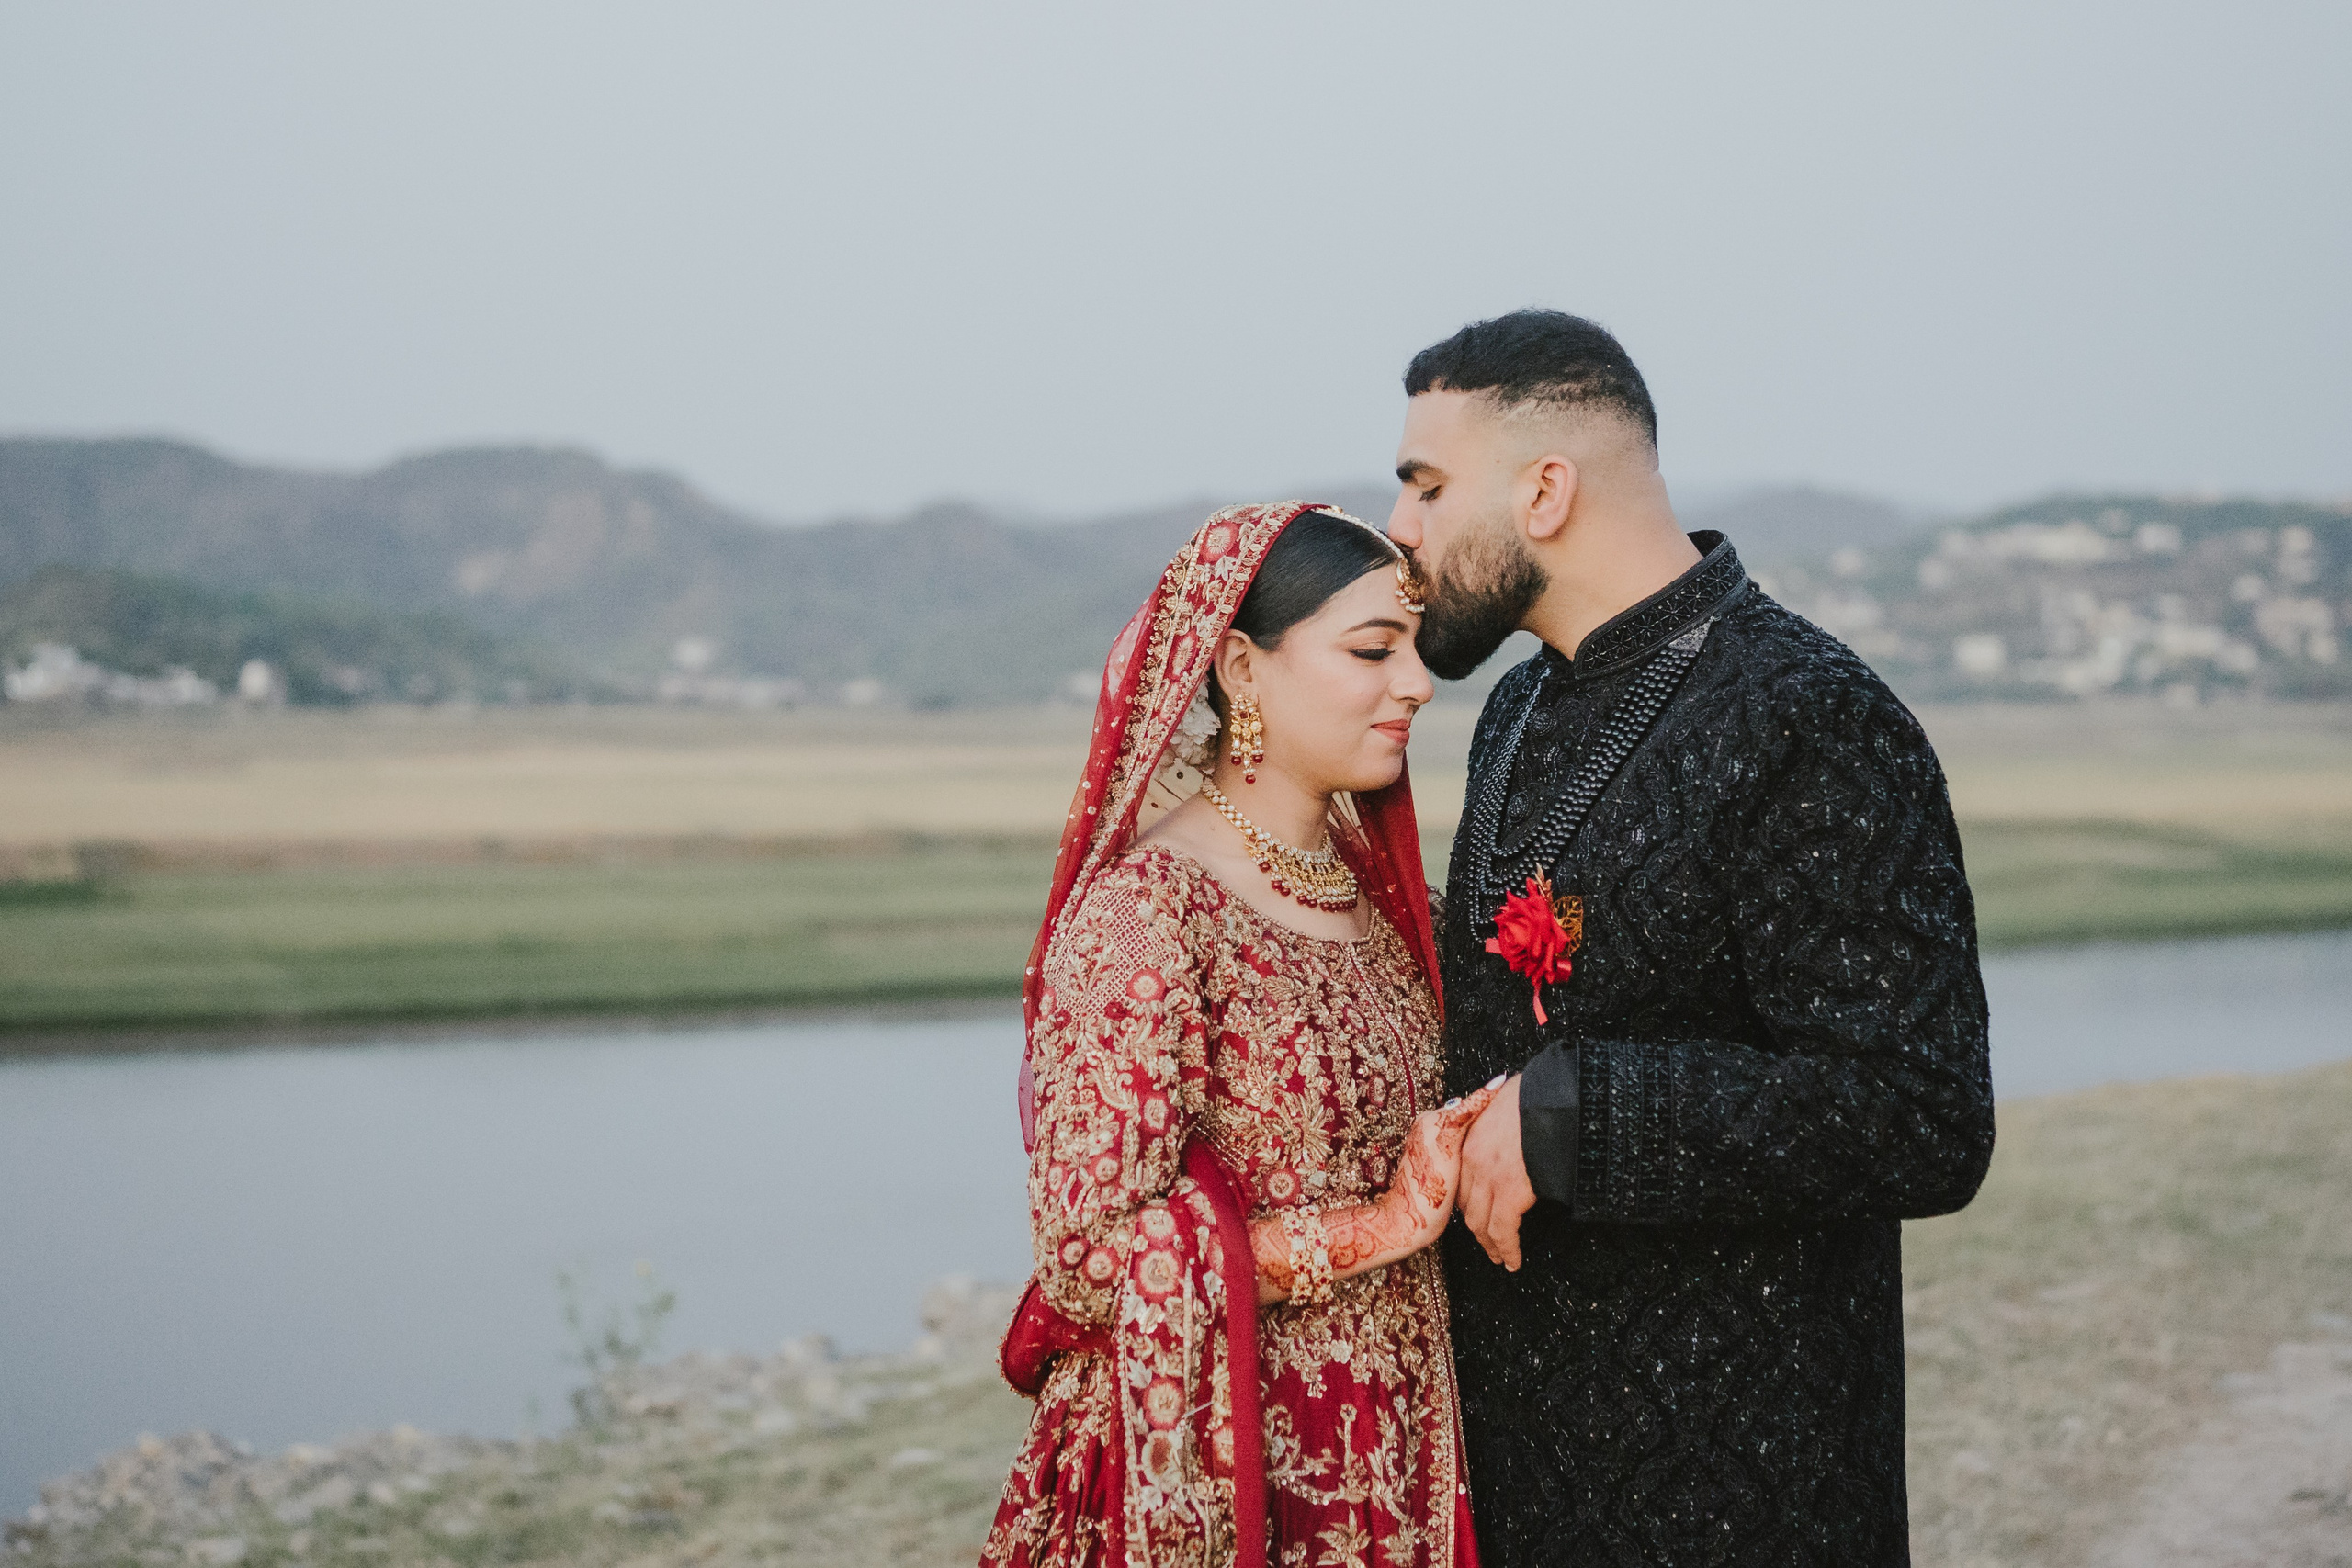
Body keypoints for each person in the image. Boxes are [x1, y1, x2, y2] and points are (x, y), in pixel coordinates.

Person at [1385, 311, 1996, 1565]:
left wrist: (1585, 1113)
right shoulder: (1514, 707)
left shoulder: (1809, 713)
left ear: (1545, 491)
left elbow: (1922, 1111)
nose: (1401, 526)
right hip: (1520, 1470)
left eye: (1428, 486)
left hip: (1745, 1487)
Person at [984, 502, 1505, 1568]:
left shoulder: (1392, 911)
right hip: (1228, 1464)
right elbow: (1087, 1260)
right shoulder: (1148, 918)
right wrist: (1380, 1227)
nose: (1417, 684)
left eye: (1414, 650)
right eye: (1373, 651)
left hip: (1408, 1442)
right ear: (1238, 668)